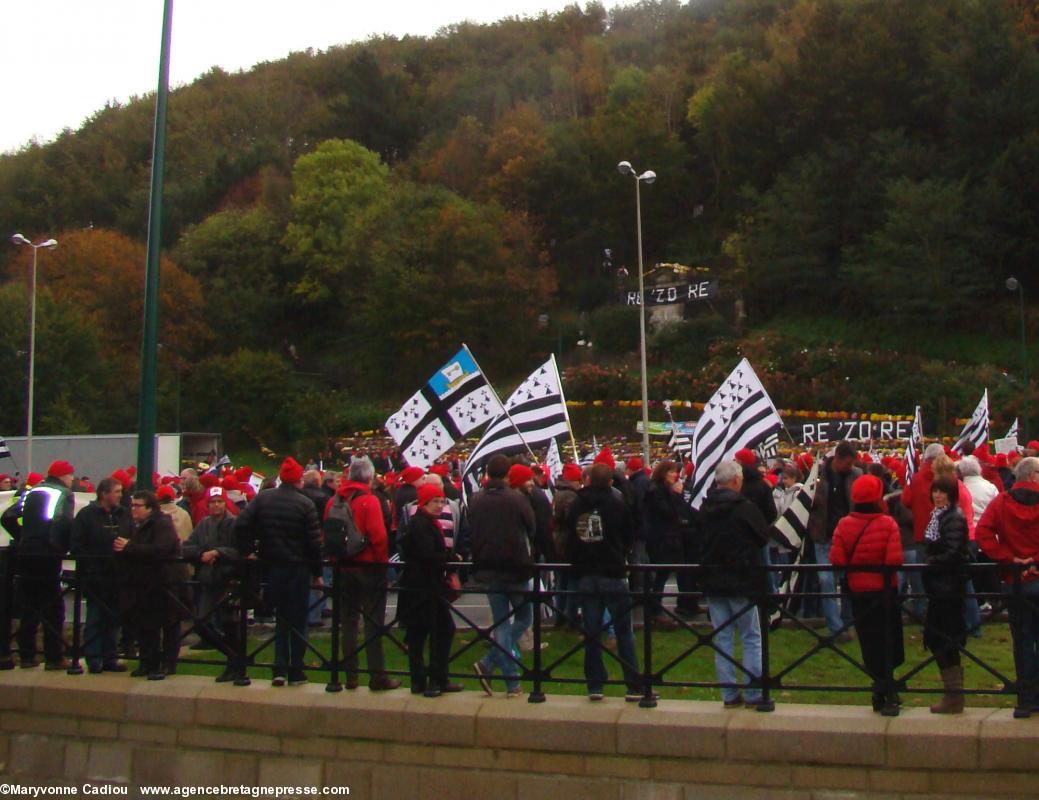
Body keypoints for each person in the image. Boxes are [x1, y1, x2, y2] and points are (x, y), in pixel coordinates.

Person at [234, 457, 322, 686]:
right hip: (298, 567)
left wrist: (248, 550)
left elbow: (240, 524)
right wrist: (318, 571)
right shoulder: (305, 505)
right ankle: (295, 669)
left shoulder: (263, 499)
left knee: (282, 619)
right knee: (298, 620)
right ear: (298, 480)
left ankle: (279, 668)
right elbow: (314, 544)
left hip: (272, 565)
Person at [564, 462, 648, 701]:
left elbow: (570, 535)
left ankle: (595, 684)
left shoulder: (577, 503)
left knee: (592, 632)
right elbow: (629, 535)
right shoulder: (617, 504)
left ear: (588, 480)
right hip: (613, 571)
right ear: (611, 482)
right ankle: (633, 683)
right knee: (624, 631)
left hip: (586, 572)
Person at [830, 474, 904, 715]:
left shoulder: (844, 524)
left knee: (868, 639)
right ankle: (888, 688)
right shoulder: (888, 523)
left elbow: (837, 559)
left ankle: (878, 685)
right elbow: (894, 560)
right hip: (883, 590)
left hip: (858, 591)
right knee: (887, 638)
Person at [698, 460, 769, 708]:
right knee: (751, 637)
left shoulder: (705, 509)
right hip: (741, 580)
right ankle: (753, 692)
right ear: (737, 481)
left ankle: (729, 693)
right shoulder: (744, 508)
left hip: (714, 580)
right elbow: (762, 537)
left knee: (723, 639)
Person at [975, 456, 1039, 718]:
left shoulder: (1002, 502)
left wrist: (1008, 557)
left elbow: (983, 533)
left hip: (1015, 579)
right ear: (1034, 476)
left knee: (1022, 640)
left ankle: (1026, 698)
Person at [469, 456, 536, 697]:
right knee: (523, 617)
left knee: (501, 623)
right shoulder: (516, 499)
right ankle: (494, 667)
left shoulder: (476, 500)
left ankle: (505, 677)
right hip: (515, 567)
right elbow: (532, 527)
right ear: (507, 474)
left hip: (488, 567)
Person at [330, 457, 400, 691]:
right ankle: (377, 675)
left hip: (344, 566)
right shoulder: (369, 501)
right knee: (373, 623)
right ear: (369, 477)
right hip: (369, 566)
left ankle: (351, 675)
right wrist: (382, 564)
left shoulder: (335, 501)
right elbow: (379, 537)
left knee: (348, 623)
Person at [1, 459, 77, 669]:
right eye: (71, 476)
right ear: (63, 476)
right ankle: (54, 657)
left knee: (29, 606)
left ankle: (26, 656)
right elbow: (64, 523)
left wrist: (24, 537)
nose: (72, 480)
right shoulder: (64, 494)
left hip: (25, 554)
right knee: (53, 607)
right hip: (47, 556)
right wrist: (61, 547)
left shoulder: (32, 491)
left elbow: (8, 517)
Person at [115, 491, 190, 680]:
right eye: (132, 505)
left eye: (138, 506)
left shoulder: (162, 523)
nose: (133, 509)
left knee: (168, 624)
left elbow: (160, 550)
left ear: (150, 508)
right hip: (144, 581)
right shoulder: (134, 524)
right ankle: (148, 662)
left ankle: (166, 663)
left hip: (165, 581)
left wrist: (129, 547)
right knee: (146, 624)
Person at [398, 482, 463, 697]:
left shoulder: (422, 522)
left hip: (420, 587)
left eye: (442, 501)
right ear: (424, 502)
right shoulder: (422, 524)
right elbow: (428, 555)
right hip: (425, 587)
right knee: (440, 630)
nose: (440, 506)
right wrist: (452, 558)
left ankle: (422, 680)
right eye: (435, 501)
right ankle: (436, 679)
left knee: (420, 633)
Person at [182, 486, 244, 683]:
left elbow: (240, 550)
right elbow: (188, 546)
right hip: (208, 578)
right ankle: (232, 655)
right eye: (212, 502)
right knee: (201, 622)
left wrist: (218, 552)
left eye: (219, 501)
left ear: (225, 503)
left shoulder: (234, 524)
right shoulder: (203, 524)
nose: (216, 505)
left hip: (228, 579)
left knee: (230, 622)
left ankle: (234, 663)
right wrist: (201, 554)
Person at [70, 477, 132, 674]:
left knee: (114, 619)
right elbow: (76, 544)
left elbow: (131, 535)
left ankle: (110, 657)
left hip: (117, 574)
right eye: (117, 491)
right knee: (95, 618)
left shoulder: (123, 515)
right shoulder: (87, 515)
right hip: (95, 575)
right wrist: (91, 563)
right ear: (104, 494)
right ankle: (94, 658)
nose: (120, 495)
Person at [922, 475, 971, 714]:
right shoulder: (940, 516)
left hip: (947, 588)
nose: (937, 495)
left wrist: (931, 563)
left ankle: (954, 695)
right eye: (935, 491)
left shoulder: (952, 518)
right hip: (941, 587)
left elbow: (953, 552)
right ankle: (953, 693)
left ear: (951, 494)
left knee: (941, 638)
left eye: (942, 492)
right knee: (939, 639)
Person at [808, 442, 861, 642]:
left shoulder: (856, 475)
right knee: (826, 581)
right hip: (823, 536)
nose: (850, 466)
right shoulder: (818, 476)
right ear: (837, 459)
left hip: (848, 537)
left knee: (848, 582)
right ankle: (836, 628)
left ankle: (847, 622)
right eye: (848, 463)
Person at [641, 459, 700, 626]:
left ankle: (659, 609)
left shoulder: (659, 490)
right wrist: (677, 495)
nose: (675, 475)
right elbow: (669, 513)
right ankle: (655, 610)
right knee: (660, 575)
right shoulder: (657, 491)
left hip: (666, 538)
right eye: (672, 472)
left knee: (663, 574)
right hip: (662, 539)